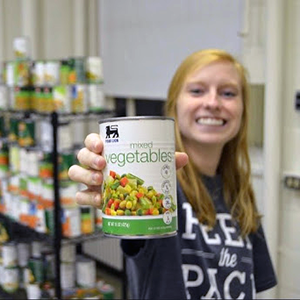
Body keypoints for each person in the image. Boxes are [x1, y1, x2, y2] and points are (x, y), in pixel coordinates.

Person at [68, 49, 277, 299]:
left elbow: (256, 283)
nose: (212, 102)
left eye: (228, 93)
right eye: (197, 91)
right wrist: (102, 174)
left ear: (243, 110)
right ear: (174, 104)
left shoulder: (241, 191)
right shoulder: (163, 189)